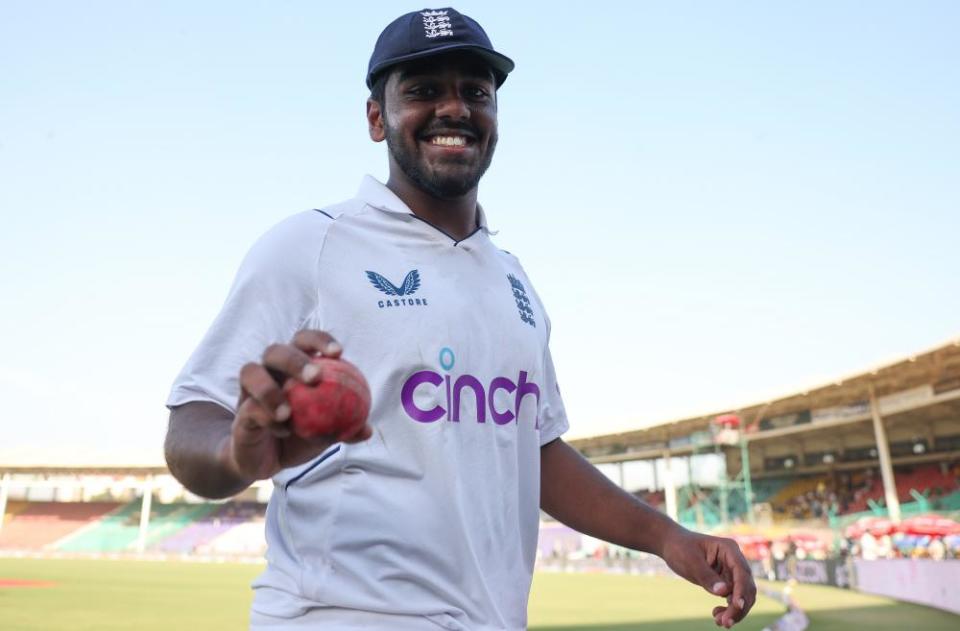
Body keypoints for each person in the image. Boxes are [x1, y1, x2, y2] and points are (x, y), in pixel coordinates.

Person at [164, 8, 756, 630]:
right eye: (422, 91)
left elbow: (534, 450)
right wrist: (238, 455)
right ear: (376, 118)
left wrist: (667, 537)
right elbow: (190, 426)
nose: (455, 109)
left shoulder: (512, 278)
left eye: (475, 92)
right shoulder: (310, 246)